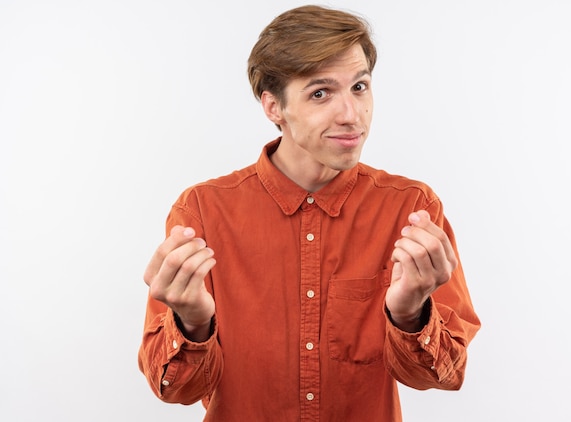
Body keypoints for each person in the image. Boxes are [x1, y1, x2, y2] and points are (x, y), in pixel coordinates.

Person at [138, 5, 480, 421]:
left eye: (359, 87)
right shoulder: (203, 212)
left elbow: (444, 375)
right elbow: (173, 390)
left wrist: (410, 314)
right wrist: (193, 323)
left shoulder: (411, 209)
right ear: (273, 107)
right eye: (320, 93)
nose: (351, 115)